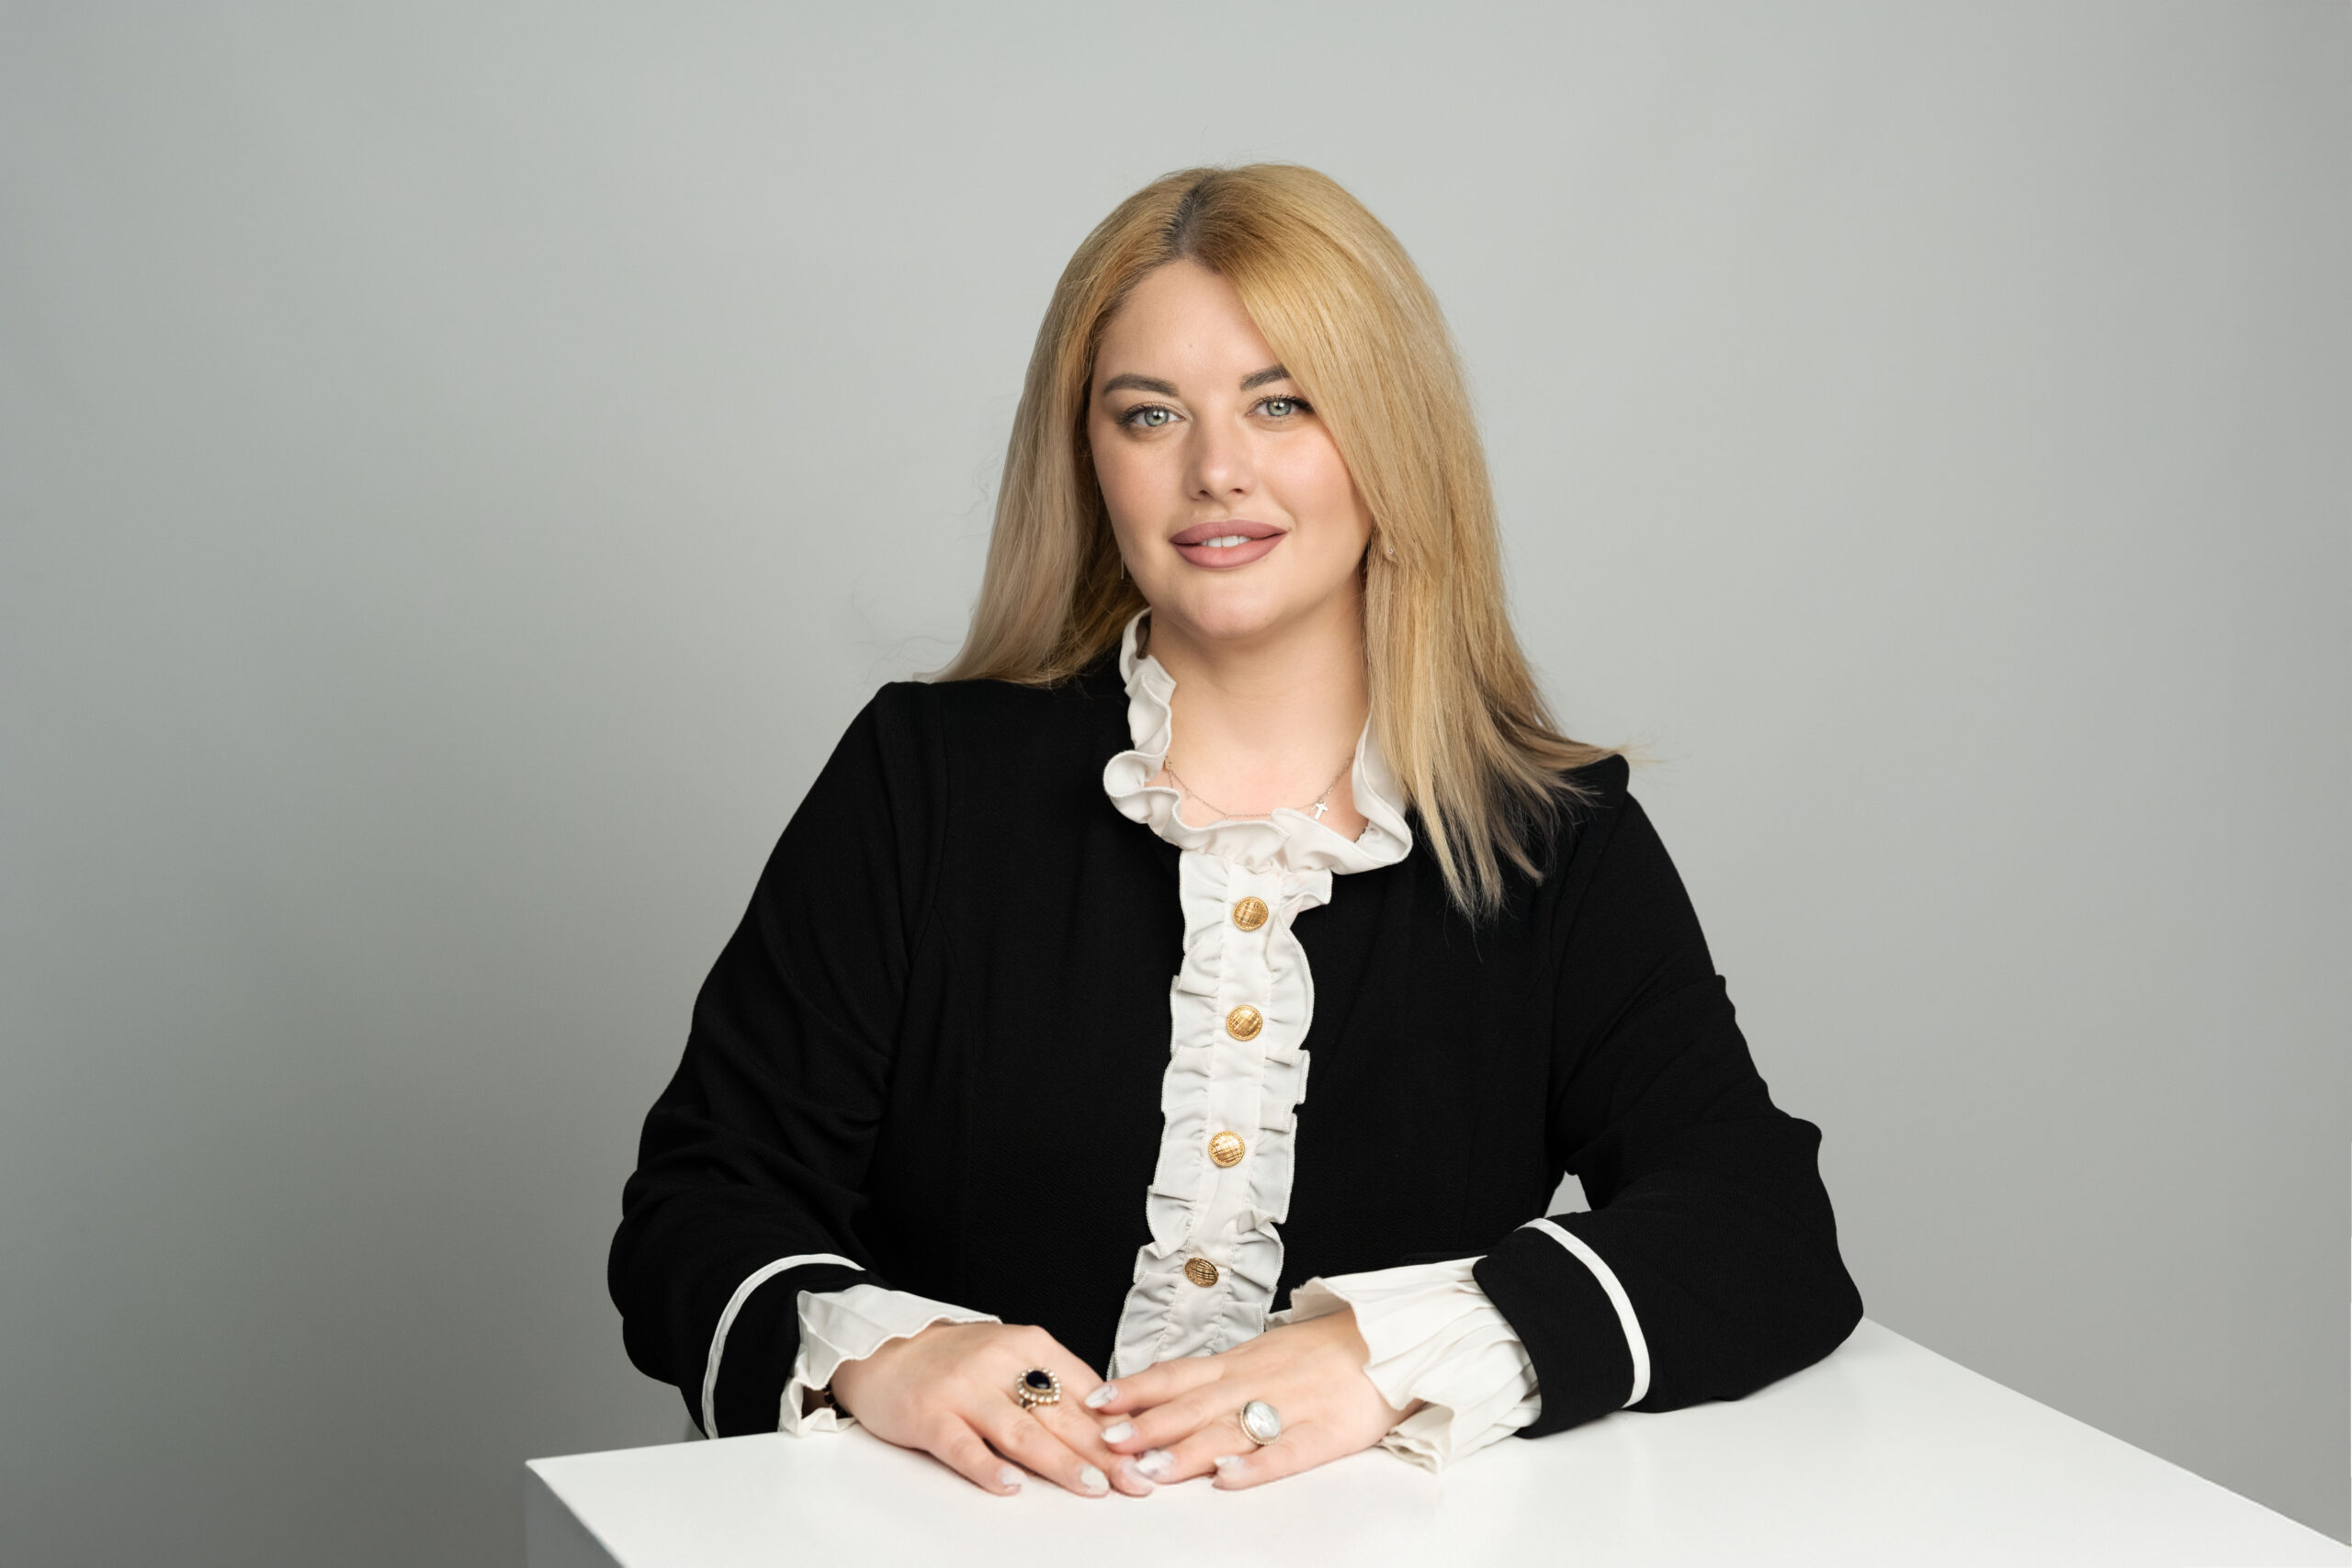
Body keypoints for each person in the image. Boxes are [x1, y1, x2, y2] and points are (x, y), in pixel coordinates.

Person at [608, 163, 1862, 1500]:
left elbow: (1762, 1227)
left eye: (1284, 403)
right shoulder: (926, 778)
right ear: (1089, 458)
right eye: (1150, 415)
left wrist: (1379, 1356)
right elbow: (700, 1209)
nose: (1215, 471)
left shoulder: (1553, 840)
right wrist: (894, 1355)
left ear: (1392, 435)